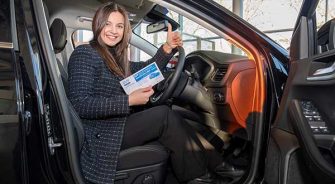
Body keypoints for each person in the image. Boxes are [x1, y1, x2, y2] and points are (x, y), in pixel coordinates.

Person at [68, 2, 224, 184]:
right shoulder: (85, 53)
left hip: (113, 123)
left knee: (169, 114)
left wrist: (166, 48)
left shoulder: (112, 56)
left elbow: (145, 70)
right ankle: (200, 176)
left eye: (119, 26)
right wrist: (128, 101)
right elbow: (80, 104)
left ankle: (219, 164)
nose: (113, 31)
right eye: (107, 24)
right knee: (164, 115)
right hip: (101, 134)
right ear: (98, 24)